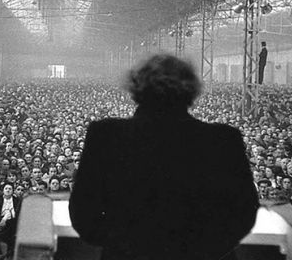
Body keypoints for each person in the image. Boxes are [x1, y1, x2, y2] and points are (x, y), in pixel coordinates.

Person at [69, 54, 259, 260]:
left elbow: (83, 212)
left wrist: (123, 244)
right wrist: (203, 250)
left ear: (136, 90)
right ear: (191, 91)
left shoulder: (106, 135)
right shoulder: (223, 140)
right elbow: (243, 212)